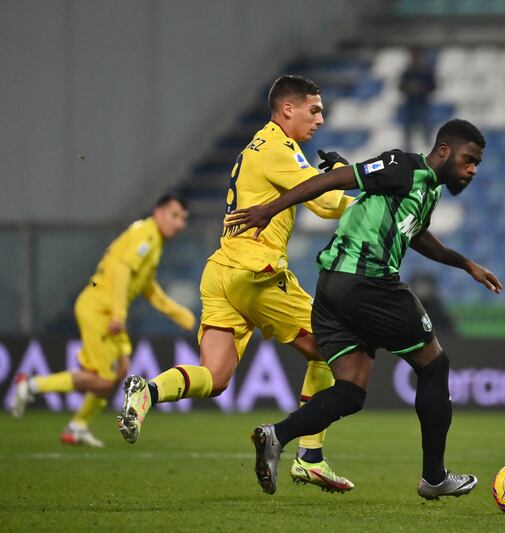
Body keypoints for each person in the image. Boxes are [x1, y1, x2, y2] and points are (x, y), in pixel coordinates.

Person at [225, 119, 502, 499]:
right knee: (435, 366)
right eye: (468, 160)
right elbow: (335, 181)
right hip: (368, 281)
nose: (471, 170)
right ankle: (434, 477)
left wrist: (466, 264)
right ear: (443, 151)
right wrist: (270, 209)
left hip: (333, 289)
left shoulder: (424, 191)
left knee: (351, 391)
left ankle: (277, 435)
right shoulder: (406, 166)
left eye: (477, 165)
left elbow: (415, 234)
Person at [117, 75, 355, 492]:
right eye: (313, 110)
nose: (320, 118)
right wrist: (360, 186)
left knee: (216, 375)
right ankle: (311, 456)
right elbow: (328, 204)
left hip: (221, 272)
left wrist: (332, 174)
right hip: (256, 273)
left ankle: (148, 392)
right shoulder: (281, 149)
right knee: (332, 350)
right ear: (287, 110)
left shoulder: (257, 146)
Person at [11, 194, 195, 447]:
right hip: (101, 309)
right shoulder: (147, 234)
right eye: (175, 216)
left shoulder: (154, 241)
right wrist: (118, 314)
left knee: (119, 371)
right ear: (158, 212)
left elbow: (146, 286)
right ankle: (31, 385)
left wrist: (177, 313)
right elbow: (120, 270)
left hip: (108, 309)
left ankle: (78, 426)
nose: (180, 223)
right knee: (102, 380)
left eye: (183, 218)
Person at [399, 48, 436, 152]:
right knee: (408, 127)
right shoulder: (407, 72)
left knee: (426, 125)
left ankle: (428, 146)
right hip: (410, 103)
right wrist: (410, 88)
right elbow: (401, 87)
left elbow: (433, 86)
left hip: (423, 103)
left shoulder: (426, 72)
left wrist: (421, 88)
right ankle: (407, 147)